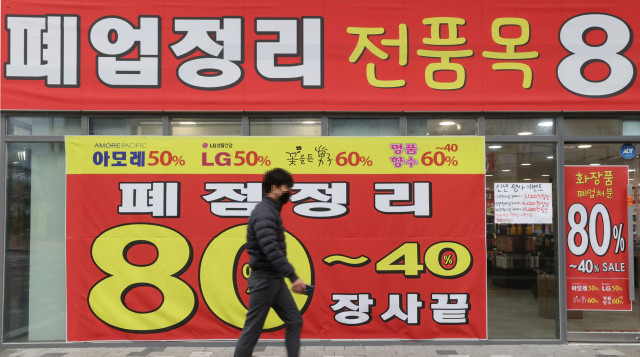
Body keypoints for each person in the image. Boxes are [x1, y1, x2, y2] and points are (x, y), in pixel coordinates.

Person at [234, 168, 306, 357]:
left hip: (274, 279)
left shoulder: (271, 211)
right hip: (264, 280)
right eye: (285, 188)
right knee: (253, 330)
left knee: (294, 320)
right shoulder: (264, 213)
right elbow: (271, 250)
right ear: (274, 188)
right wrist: (293, 277)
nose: (288, 193)